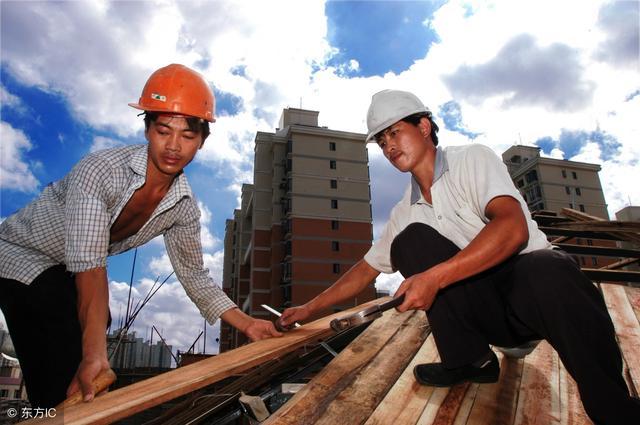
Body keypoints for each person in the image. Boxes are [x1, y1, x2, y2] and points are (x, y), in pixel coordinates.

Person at [280, 89, 640, 424]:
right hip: (487, 313)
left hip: (537, 298)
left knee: (549, 266)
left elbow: (512, 229)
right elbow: (364, 271)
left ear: (423, 127)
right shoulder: (405, 210)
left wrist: (434, 278)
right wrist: (308, 310)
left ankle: (615, 409)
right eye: (382, 140)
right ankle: (471, 360)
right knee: (410, 241)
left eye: (394, 132)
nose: (388, 146)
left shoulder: (472, 159)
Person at [0, 64, 281, 408]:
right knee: (63, 349)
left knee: (93, 325)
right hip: (20, 255)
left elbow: (194, 275)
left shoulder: (183, 207)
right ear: (147, 128)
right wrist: (93, 355)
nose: (174, 146)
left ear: (203, 141)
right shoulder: (100, 171)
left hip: (64, 269)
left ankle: (66, 405)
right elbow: (90, 265)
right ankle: (55, 409)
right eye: (164, 130)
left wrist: (248, 323)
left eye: (188, 136)